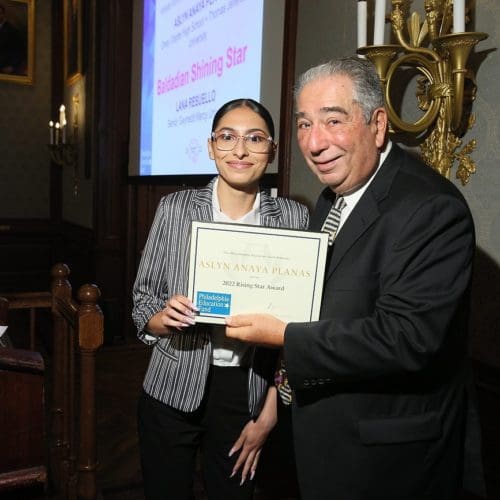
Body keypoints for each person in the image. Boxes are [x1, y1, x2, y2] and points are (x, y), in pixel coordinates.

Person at [225, 57, 482, 499]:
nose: (314, 142)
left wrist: (286, 335)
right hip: (320, 441)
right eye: (304, 124)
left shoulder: (432, 208)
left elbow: (407, 338)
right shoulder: (332, 199)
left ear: (378, 124)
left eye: (333, 120)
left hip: (386, 463)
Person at [132, 98, 309, 500]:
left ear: (273, 150)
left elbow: (299, 333)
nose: (240, 150)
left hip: (247, 391)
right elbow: (142, 302)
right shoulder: (175, 209)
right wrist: (164, 316)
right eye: (227, 137)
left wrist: (269, 414)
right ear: (211, 147)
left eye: (255, 138)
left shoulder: (294, 218)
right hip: (172, 384)